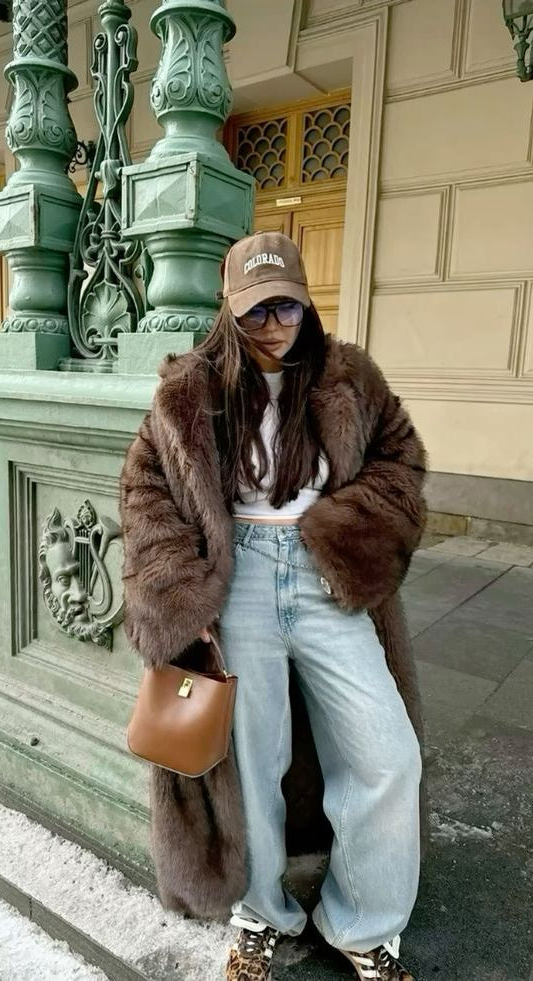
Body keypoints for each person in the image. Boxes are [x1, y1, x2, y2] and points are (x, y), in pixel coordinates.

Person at [120, 231, 428, 981]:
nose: (272, 324)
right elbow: (147, 493)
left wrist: (347, 538)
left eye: (285, 305)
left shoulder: (350, 378)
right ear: (230, 311)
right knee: (248, 763)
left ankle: (361, 922)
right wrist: (178, 589)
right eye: (255, 312)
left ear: (305, 301)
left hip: (326, 571)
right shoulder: (188, 391)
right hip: (239, 580)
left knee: (386, 751)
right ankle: (260, 912)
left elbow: (400, 463)